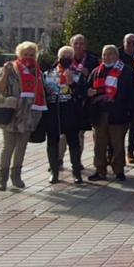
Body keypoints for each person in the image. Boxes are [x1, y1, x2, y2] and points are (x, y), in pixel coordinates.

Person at [0, 41, 45, 190]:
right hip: (11, 113)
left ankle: (16, 176)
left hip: (29, 115)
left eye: (31, 55)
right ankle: (2, 179)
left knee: (21, 147)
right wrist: (5, 73)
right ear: (19, 55)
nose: (28, 57)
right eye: (25, 54)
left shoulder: (37, 71)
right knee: (8, 147)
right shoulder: (11, 68)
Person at [87, 45, 134, 182]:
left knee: (118, 145)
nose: (107, 57)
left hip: (118, 113)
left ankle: (119, 170)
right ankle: (100, 170)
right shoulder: (97, 71)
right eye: (104, 55)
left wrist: (129, 112)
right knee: (99, 145)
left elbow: (132, 93)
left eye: (110, 54)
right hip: (100, 114)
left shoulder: (126, 71)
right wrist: (89, 93)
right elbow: (88, 88)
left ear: (116, 56)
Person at [43, 46, 87, 184]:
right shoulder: (47, 74)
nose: (66, 59)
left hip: (71, 113)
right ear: (58, 57)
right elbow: (42, 93)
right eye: (64, 56)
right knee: (52, 142)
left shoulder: (77, 74)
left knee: (74, 142)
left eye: (69, 56)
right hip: (53, 113)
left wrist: (72, 83)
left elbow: (82, 93)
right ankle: (54, 172)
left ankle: (76, 173)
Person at [58, 34, 98, 171]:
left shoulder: (92, 60)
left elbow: (97, 79)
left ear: (85, 46)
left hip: (82, 104)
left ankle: (77, 162)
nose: (79, 46)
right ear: (71, 45)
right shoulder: (65, 59)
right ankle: (58, 160)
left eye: (81, 43)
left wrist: (87, 74)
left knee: (79, 134)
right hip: (64, 103)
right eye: (76, 44)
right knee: (62, 134)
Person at [119, 33, 134, 164]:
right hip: (120, 95)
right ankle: (115, 153)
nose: (132, 45)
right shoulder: (118, 54)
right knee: (119, 128)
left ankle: (130, 152)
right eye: (129, 43)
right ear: (124, 43)